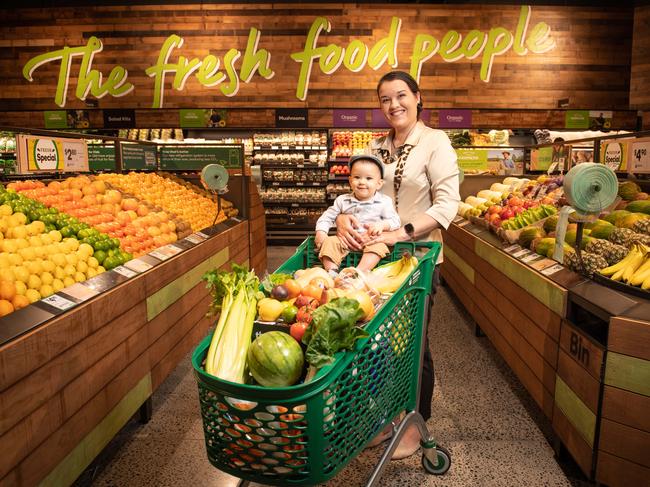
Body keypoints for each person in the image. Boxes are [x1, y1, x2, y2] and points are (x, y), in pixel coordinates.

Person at [335, 71, 460, 459]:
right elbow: (360, 191)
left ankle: (414, 424)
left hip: (418, 260)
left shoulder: (435, 142)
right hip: (374, 264)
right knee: (376, 343)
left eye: (401, 96)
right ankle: (386, 419)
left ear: (418, 97)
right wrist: (342, 217)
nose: (394, 105)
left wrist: (397, 234)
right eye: (385, 99)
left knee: (414, 345)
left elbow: (447, 205)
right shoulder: (376, 145)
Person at [314, 154, 401, 273]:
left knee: (379, 247)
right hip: (345, 241)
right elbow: (327, 217)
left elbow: (395, 221)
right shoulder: (342, 200)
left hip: (370, 240)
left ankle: (358, 272)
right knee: (330, 242)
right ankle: (332, 272)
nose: (362, 182)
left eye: (369, 178)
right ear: (350, 181)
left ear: (379, 184)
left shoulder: (384, 202)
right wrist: (321, 232)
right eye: (357, 177)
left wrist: (381, 225)